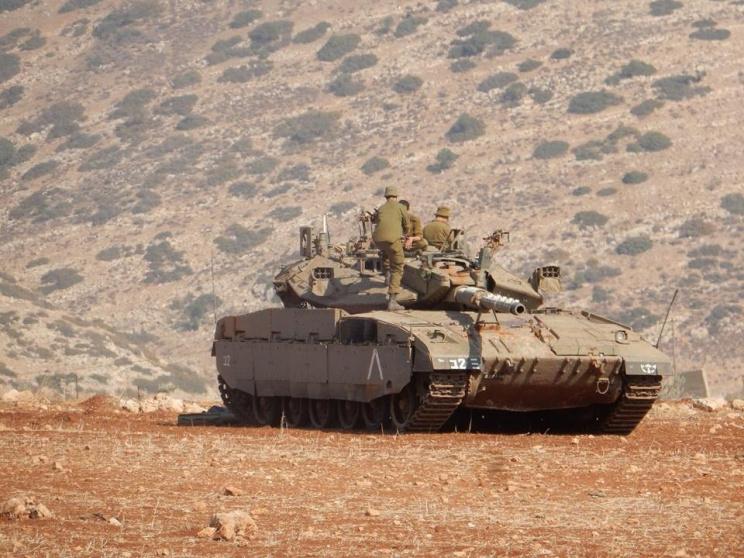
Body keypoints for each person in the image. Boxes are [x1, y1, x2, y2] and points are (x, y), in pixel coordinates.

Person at [372, 186, 410, 310]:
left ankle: (387, 273)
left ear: (386, 196)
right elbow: (407, 225)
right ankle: (392, 301)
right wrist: (404, 234)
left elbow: (376, 221)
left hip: (378, 241)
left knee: (387, 251)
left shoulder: (381, 208)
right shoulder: (401, 207)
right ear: (396, 196)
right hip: (393, 240)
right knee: (398, 267)